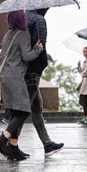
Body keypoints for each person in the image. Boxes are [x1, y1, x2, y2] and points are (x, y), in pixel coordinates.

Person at [0, 10, 43, 161]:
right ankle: (2, 138)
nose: (26, 18)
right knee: (24, 111)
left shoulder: (8, 34)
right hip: (15, 76)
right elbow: (27, 56)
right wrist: (38, 48)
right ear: (20, 19)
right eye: (24, 16)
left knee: (15, 112)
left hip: (5, 76)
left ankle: (13, 148)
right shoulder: (23, 33)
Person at [25, 9, 64, 156]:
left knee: (36, 107)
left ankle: (47, 144)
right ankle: (6, 140)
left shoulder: (24, 19)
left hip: (25, 67)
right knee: (23, 111)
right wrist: (41, 64)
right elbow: (40, 44)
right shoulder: (39, 20)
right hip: (33, 70)